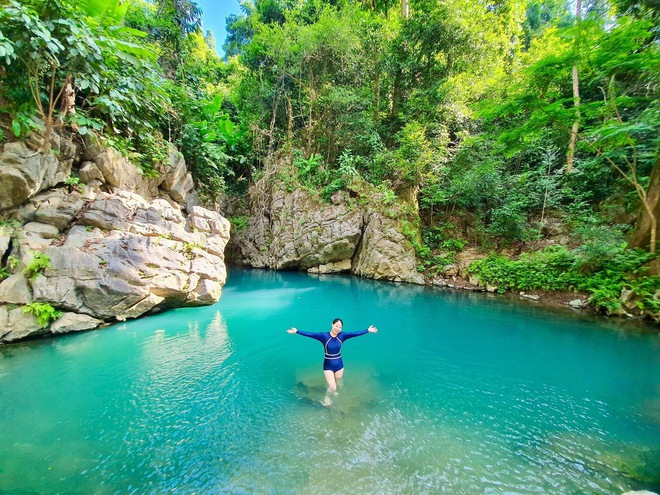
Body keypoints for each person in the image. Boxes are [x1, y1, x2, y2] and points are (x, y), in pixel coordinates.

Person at [287, 318, 378, 396]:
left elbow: (354, 333)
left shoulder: (342, 336)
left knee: (340, 384)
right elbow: (311, 334)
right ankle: (326, 398)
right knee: (333, 387)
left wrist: (367, 330)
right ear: (332, 324)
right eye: (336, 326)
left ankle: (338, 395)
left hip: (339, 365)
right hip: (328, 366)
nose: (338, 328)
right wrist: (297, 331)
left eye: (340, 327)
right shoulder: (324, 336)